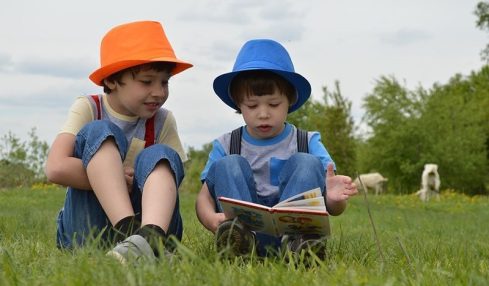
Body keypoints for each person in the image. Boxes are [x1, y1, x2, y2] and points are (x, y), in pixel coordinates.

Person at [45, 20, 192, 263]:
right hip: (89, 230)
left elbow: (173, 177)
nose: (158, 92)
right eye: (147, 82)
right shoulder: (89, 107)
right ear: (112, 80)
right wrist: (112, 178)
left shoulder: (163, 120)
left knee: (161, 155)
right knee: (99, 131)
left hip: (150, 221)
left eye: (165, 82)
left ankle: (150, 238)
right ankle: (131, 235)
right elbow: (56, 167)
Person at [195, 39, 358, 258]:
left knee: (307, 162)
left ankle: (300, 247)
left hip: (294, 232)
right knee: (228, 164)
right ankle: (238, 244)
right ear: (238, 103)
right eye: (252, 106)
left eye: (273, 104)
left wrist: (334, 201)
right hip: (245, 231)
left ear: (289, 100)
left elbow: (332, 207)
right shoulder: (226, 144)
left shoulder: (307, 141)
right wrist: (210, 219)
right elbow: (204, 197)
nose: (263, 114)